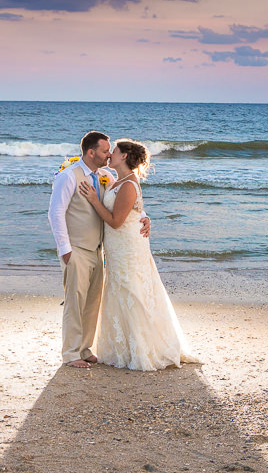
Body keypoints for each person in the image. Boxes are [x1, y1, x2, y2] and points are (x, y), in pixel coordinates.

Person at [78, 138, 197, 371]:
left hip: (128, 247)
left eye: (115, 150)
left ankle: (142, 349)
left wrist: (93, 200)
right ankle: (122, 348)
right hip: (118, 247)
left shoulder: (129, 184)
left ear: (124, 156)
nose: (110, 153)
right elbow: (134, 208)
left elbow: (115, 221)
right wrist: (145, 215)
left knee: (134, 290)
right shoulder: (115, 179)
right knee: (120, 289)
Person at [47, 131, 150, 368]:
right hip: (76, 249)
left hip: (98, 250)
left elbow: (125, 200)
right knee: (75, 302)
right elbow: (56, 213)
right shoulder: (68, 176)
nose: (108, 155)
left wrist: (144, 216)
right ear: (91, 152)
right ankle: (70, 354)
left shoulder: (104, 175)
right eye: (105, 151)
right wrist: (65, 249)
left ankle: (84, 349)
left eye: (110, 151)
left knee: (92, 301)